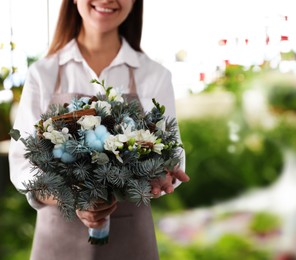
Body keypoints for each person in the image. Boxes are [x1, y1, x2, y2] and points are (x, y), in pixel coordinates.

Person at [8, 0, 189, 259]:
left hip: (131, 242)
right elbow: (21, 166)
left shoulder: (154, 75)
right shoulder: (43, 73)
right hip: (57, 241)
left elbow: (173, 152)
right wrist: (72, 197)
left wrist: (163, 173)